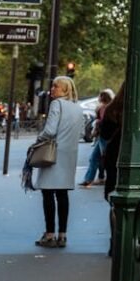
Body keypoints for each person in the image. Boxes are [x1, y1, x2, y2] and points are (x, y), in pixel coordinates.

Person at [31, 75, 83, 248]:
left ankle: (50, 234)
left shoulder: (57, 104)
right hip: (69, 155)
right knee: (62, 194)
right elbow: (81, 133)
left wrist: (38, 140)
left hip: (53, 154)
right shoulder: (78, 108)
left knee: (47, 193)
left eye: (56, 87)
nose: (52, 89)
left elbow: (50, 130)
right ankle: (63, 234)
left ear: (65, 90)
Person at [80, 88, 114, 186]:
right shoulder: (108, 108)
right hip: (104, 136)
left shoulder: (104, 108)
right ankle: (89, 179)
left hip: (104, 136)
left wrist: (97, 124)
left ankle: (90, 179)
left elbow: (103, 121)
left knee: (101, 158)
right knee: (95, 158)